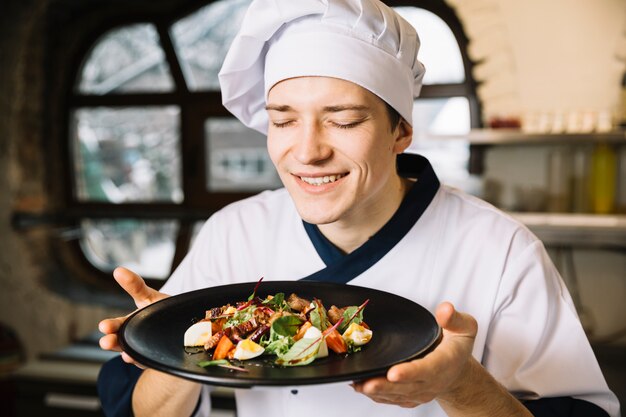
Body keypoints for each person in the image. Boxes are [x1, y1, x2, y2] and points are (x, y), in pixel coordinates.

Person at [97, 0, 620, 416]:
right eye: (282, 121)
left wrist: (460, 385)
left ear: (401, 130)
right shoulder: (235, 231)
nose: (306, 152)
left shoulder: (499, 249)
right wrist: (172, 346)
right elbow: (140, 410)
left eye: (343, 120)